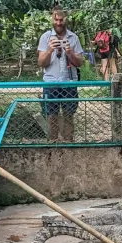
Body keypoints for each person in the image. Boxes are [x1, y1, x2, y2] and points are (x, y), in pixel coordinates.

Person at [37, 8, 84, 142]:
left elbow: (79, 63)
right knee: (52, 115)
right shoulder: (46, 37)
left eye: (61, 20)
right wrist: (50, 49)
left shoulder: (73, 38)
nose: (58, 22)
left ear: (65, 20)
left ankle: (68, 143)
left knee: (69, 114)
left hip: (69, 82)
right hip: (51, 82)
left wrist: (69, 52)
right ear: (52, 20)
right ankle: (53, 144)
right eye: (56, 19)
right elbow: (41, 62)